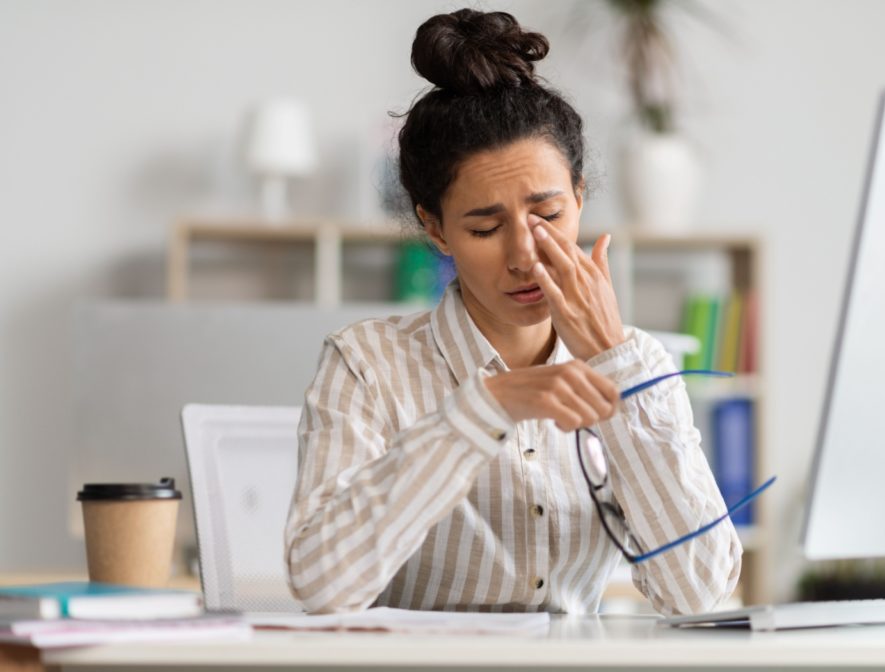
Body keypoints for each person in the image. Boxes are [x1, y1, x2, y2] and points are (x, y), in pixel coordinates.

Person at [284, 8, 742, 616]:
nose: (526, 257)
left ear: (580, 198)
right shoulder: (367, 363)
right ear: (436, 229)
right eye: (484, 227)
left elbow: (699, 595)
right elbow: (320, 586)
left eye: (549, 216)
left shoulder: (641, 363)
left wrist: (617, 366)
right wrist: (484, 408)